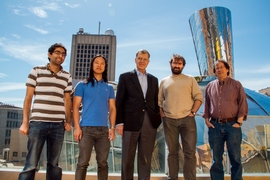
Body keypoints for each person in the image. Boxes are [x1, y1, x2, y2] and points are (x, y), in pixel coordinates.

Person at [18, 43, 72, 180]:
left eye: (63, 54)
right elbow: (28, 97)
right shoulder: (36, 70)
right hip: (38, 123)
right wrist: (25, 122)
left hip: (58, 125)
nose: (61, 56)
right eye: (57, 52)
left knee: (54, 164)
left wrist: (68, 121)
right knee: (31, 163)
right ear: (49, 54)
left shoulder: (67, 76)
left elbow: (67, 100)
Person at [115, 49, 161, 180]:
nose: (142, 61)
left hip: (149, 123)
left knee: (146, 158)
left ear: (148, 62)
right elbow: (119, 101)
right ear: (135, 60)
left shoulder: (154, 79)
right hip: (130, 122)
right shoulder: (125, 77)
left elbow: (154, 101)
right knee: (127, 159)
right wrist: (119, 122)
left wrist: (156, 119)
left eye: (144, 59)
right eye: (140, 58)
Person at [158, 54, 203, 180]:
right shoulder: (164, 81)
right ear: (170, 64)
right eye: (175, 63)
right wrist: (162, 114)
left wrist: (193, 112)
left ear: (183, 66)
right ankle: (173, 178)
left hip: (187, 120)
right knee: (172, 153)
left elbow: (199, 97)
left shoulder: (190, 79)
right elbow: (159, 100)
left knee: (189, 153)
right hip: (169, 120)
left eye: (179, 63)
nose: (177, 65)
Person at [202, 59, 248, 180]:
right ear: (214, 71)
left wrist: (239, 121)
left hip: (232, 125)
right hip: (215, 126)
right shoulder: (210, 86)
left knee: (235, 158)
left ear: (227, 69)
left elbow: (243, 102)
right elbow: (207, 104)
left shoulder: (236, 84)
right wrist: (207, 119)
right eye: (217, 68)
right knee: (216, 159)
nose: (219, 69)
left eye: (222, 67)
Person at [73, 55, 116, 180]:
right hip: (86, 129)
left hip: (103, 131)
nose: (99, 65)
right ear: (92, 65)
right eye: (96, 62)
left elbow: (112, 108)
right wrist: (77, 127)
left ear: (105, 67)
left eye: (102, 63)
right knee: (82, 163)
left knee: (103, 164)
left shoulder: (109, 88)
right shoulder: (82, 85)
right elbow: (75, 107)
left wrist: (112, 127)